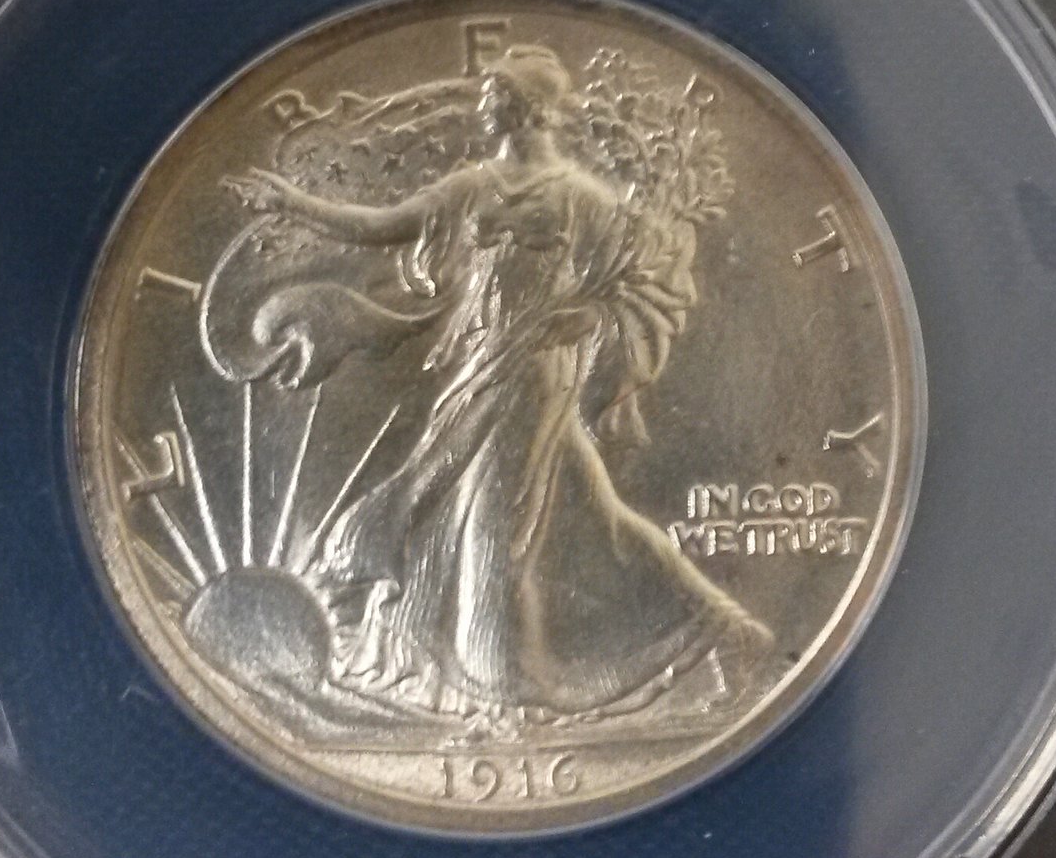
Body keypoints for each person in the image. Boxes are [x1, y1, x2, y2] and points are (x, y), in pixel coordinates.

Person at [235, 45, 769, 726]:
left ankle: (497, 685)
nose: (482, 104)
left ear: (527, 106)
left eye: (494, 94)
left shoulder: (583, 200)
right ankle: (724, 630)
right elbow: (381, 226)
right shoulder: (471, 186)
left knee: (491, 521)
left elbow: (651, 283)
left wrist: (590, 315)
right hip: (477, 364)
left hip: (536, 371)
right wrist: (294, 204)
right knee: (588, 513)